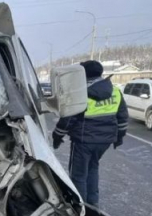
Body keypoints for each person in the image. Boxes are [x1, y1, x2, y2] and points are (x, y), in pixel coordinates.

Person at [52, 60, 128, 207]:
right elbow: (123, 118)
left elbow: (68, 119)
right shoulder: (115, 91)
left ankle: (80, 206)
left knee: (78, 174)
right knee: (93, 168)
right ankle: (93, 202)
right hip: (105, 141)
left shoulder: (80, 93)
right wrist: (119, 137)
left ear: (83, 74)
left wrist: (57, 135)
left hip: (83, 141)